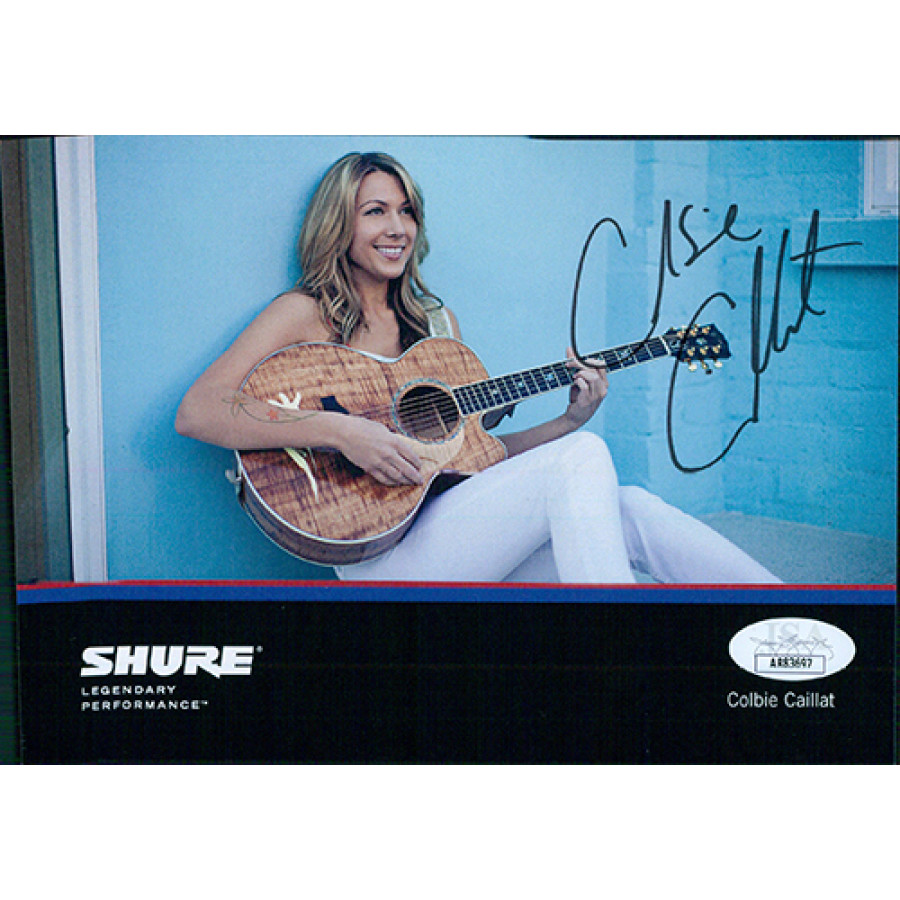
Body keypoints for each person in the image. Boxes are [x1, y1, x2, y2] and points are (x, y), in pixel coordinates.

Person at [176, 151, 780, 584]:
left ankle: (785, 618)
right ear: (340, 224)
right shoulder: (303, 313)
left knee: (633, 509)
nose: (397, 228)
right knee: (585, 459)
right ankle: (615, 664)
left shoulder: (438, 329)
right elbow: (199, 410)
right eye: (375, 211)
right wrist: (344, 432)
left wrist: (568, 421)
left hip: (458, 534)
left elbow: (476, 465)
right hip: (380, 556)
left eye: (407, 211)